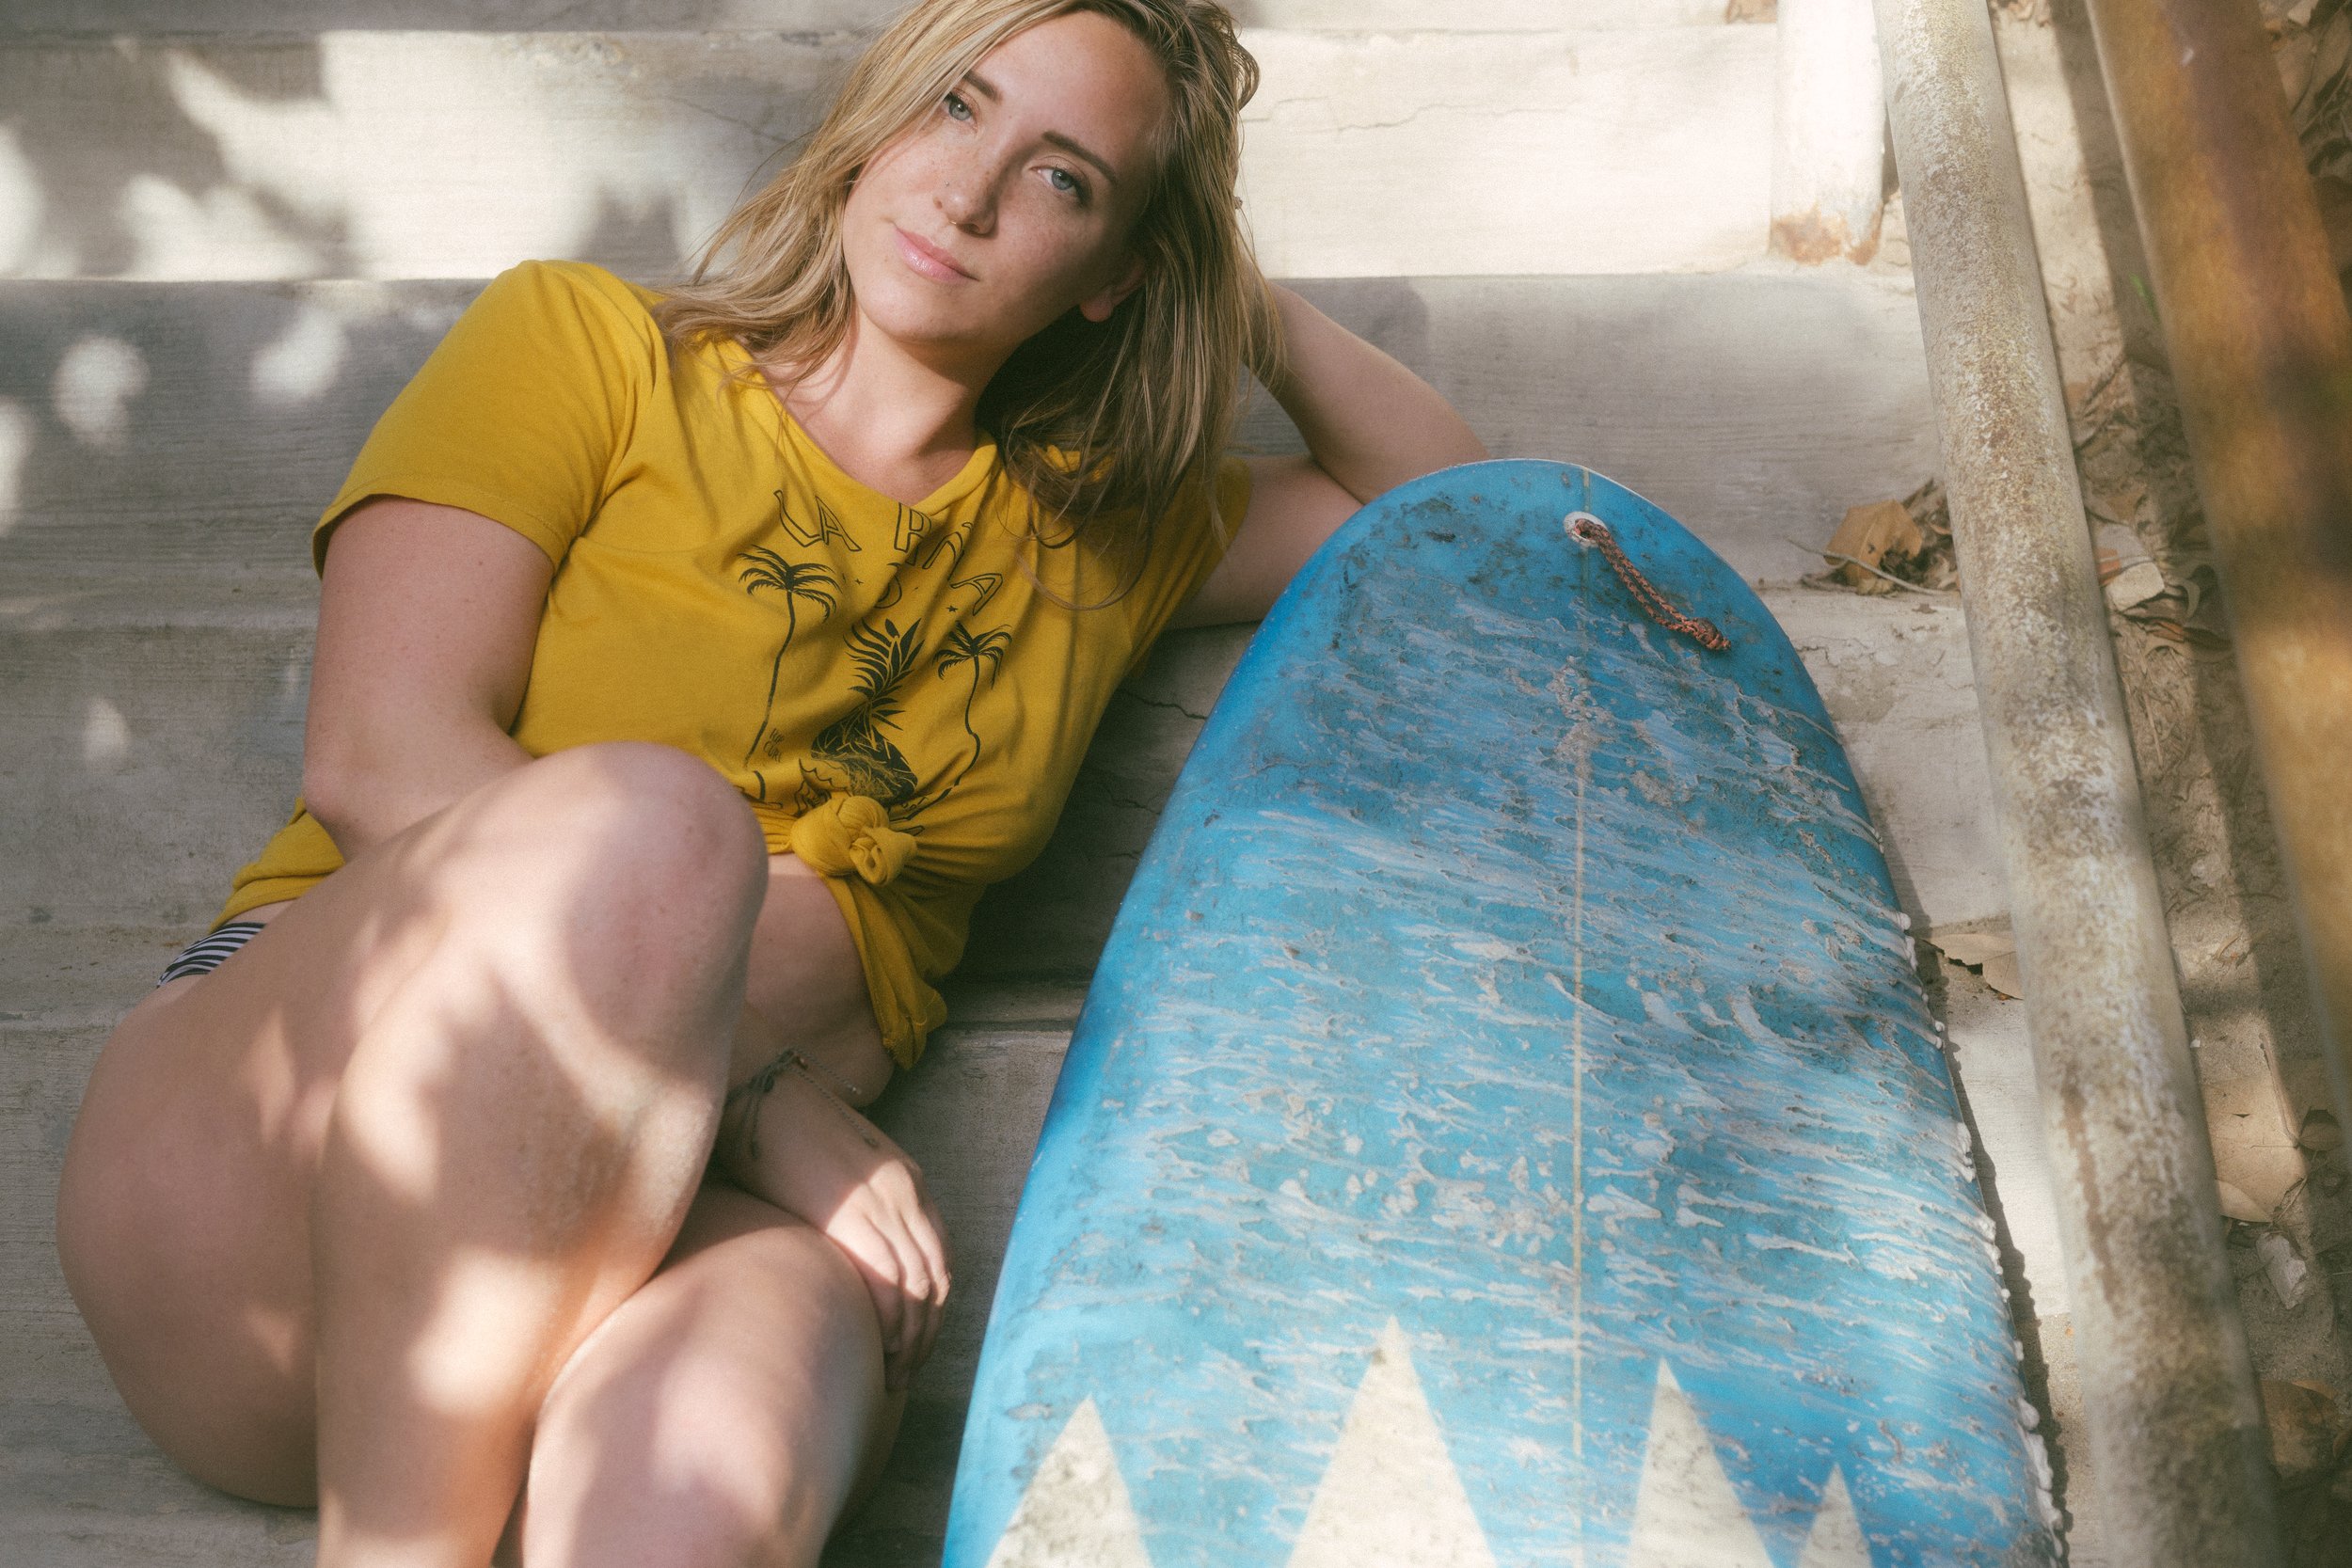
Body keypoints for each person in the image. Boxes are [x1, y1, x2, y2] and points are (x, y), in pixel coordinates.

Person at [52, 1, 1487, 1563]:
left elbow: (1446, 511)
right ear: (876, 120)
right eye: (955, 107)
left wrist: (1216, 280)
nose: (970, 192)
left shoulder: (1099, 540)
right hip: (280, 1165)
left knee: (716, 1465)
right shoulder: (592, 350)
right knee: (659, 831)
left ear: (1118, 270)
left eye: (1064, 179)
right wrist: (762, 1095)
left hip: (665, 1236)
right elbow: (376, 752)